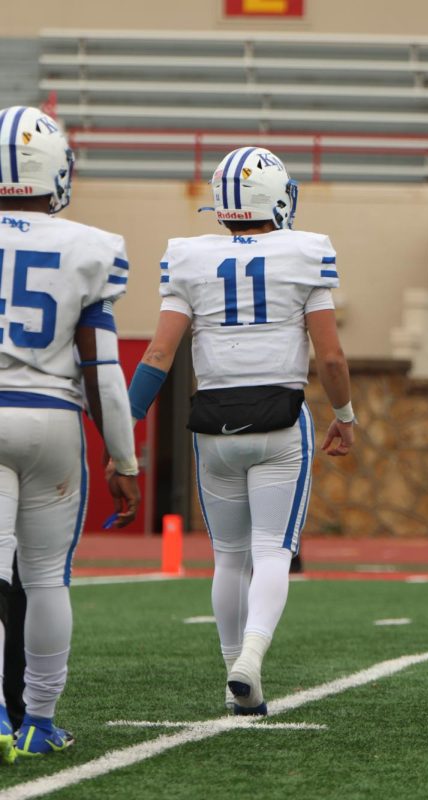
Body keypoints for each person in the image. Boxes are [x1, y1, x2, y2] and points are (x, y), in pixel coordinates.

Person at [126, 146, 355, 716]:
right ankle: (250, 659)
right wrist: (345, 417)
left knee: (228, 557)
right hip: (279, 417)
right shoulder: (305, 251)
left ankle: (234, 665)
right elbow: (330, 358)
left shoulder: (188, 256)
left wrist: (121, 426)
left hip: (213, 423)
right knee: (272, 552)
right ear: (275, 197)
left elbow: (158, 354)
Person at [0, 106, 141, 757]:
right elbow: (103, 369)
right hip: (53, 417)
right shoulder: (87, 245)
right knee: (48, 577)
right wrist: (124, 459)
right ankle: (39, 721)